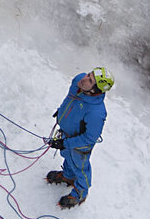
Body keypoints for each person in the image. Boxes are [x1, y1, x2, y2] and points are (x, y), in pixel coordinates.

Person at [46, 67, 114, 208]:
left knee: (81, 167)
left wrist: (66, 143)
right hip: (66, 134)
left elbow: (89, 138)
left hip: (80, 145)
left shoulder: (96, 113)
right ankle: (68, 175)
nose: (84, 78)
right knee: (67, 156)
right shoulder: (78, 82)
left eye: (90, 80)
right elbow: (70, 101)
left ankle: (81, 193)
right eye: (89, 74)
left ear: (95, 90)